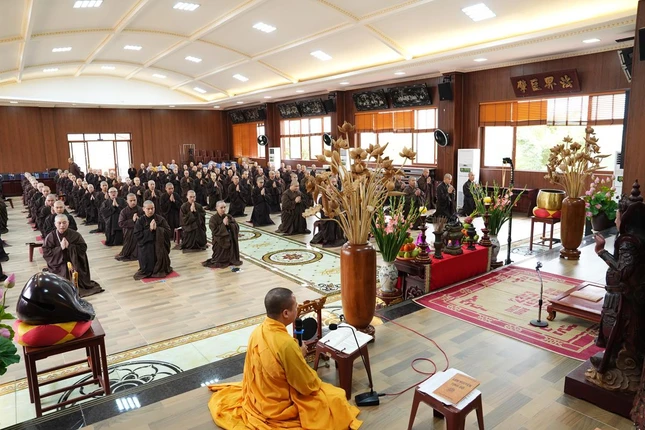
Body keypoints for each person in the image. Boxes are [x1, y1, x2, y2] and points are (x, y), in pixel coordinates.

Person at [208, 287, 362, 429]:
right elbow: (306, 386)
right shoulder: (286, 345)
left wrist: (296, 353)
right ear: (286, 313)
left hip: (258, 395)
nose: (298, 307)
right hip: (277, 405)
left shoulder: (258, 330)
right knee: (335, 397)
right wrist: (300, 356)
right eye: (295, 306)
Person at [42, 214, 103, 297]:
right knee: (62, 275)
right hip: (58, 264)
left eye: (64, 223)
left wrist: (70, 247)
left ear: (68, 223)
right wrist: (60, 248)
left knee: (74, 272)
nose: (62, 225)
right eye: (59, 223)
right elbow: (46, 252)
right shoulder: (50, 236)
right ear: (55, 224)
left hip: (75, 262)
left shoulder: (75, 235)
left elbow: (83, 248)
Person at [133, 200, 173, 280]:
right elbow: (137, 235)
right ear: (143, 209)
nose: (151, 211)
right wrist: (150, 230)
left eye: (152, 208)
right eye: (148, 209)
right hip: (146, 247)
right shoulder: (140, 221)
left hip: (159, 246)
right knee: (146, 266)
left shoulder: (160, 219)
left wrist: (157, 229)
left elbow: (168, 231)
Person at [202, 201, 242, 269]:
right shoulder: (213, 219)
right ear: (216, 208)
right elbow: (215, 231)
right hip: (219, 241)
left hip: (229, 240)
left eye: (224, 207)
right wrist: (223, 224)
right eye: (221, 208)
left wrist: (229, 224)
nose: (223, 209)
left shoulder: (228, 216)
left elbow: (236, 226)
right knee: (218, 260)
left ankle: (230, 258)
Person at [115, 194, 143, 262]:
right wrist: (132, 221)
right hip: (128, 232)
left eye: (134, 200)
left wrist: (139, 220)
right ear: (127, 201)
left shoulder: (141, 209)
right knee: (127, 250)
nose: (133, 202)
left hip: (139, 232)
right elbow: (121, 223)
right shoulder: (124, 211)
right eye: (131, 201)